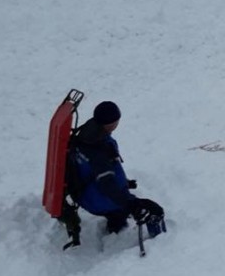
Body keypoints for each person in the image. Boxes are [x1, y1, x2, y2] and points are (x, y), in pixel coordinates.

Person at [60, 101, 165, 248]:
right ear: (110, 124)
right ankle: (160, 245)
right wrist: (131, 204)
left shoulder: (86, 134)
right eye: (117, 120)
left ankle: (116, 223)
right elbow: (107, 185)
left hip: (84, 193)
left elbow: (95, 172)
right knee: (154, 210)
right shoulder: (99, 149)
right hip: (97, 199)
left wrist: (123, 183)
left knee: (121, 208)